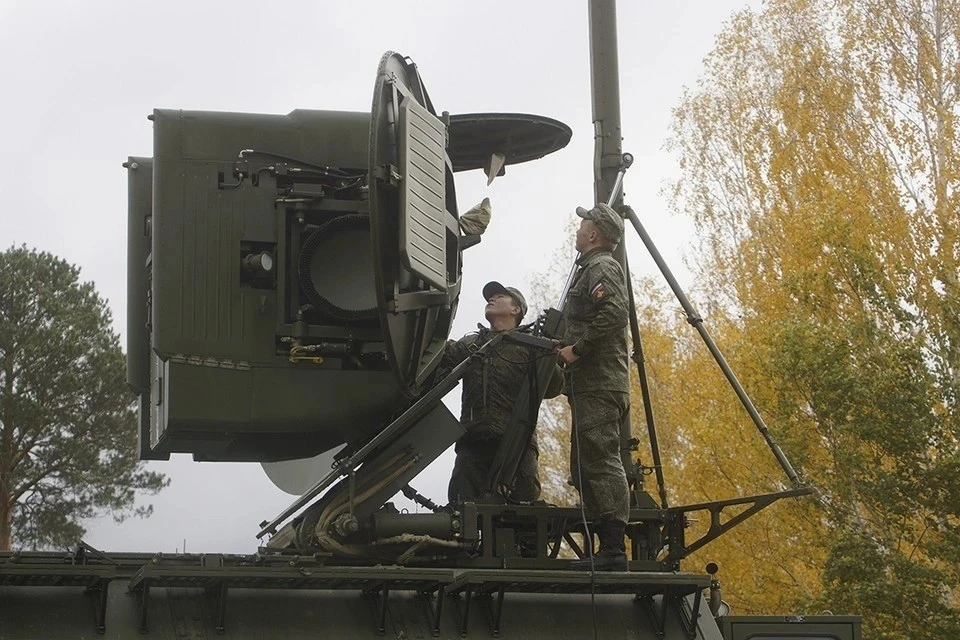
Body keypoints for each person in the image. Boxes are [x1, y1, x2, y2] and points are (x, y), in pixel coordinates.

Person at [557, 202, 631, 571]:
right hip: (591, 384)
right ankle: (604, 548)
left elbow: (616, 312)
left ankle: (613, 549)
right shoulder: (591, 268)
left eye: (582, 225)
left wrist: (578, 349)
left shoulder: (601, 266)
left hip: (600, 382)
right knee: (586, 463)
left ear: (593, 234)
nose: (577, 230)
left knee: (600, 459)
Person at [441, 282, 563, 505]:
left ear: (516, 310)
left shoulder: (530, 345)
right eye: (490, 296)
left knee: (524, 515)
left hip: (517, 446)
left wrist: (547, 353)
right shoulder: (471, 344)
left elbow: (554, 386)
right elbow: (439, 356)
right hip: (473, 443)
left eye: (499, 296)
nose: (491, 299)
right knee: (461, 512)